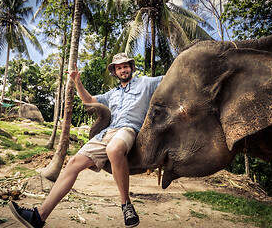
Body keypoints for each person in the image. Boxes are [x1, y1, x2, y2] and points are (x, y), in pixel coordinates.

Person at [9, 53, 163, 228]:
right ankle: (39, 216)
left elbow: (171, 78)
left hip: (128, 130)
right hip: (106, 133)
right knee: (73, 163)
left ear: (132, 67)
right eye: (119, 67)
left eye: (125, 66)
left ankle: (126, 205)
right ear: (115, 72)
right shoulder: (112, 94)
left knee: (113, 149)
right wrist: (77, 82)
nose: (123, 70)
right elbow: (88, 100)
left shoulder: (146, 83)